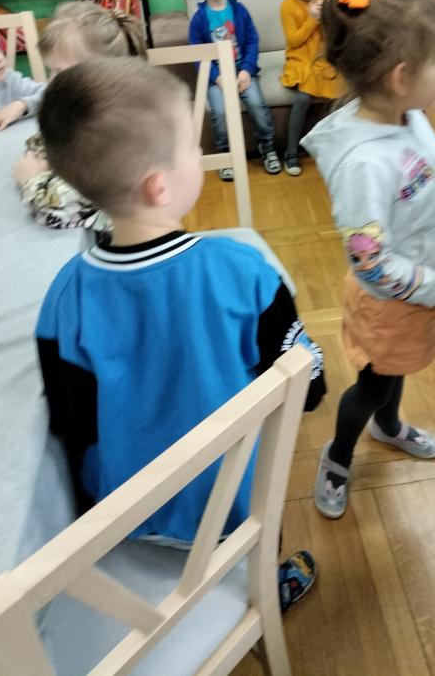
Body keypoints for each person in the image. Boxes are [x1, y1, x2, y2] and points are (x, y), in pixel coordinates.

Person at [35, 56, 326, 608]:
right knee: (261, 500)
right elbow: (306, 383)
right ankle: (268, 586)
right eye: (192, 148)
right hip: (235, 506)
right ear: (159, 186)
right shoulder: (243, 271)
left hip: (126, 514)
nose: (199, 155)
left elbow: (69, 424)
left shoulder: (63, 295)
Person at [301, 0, 435, 520]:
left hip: (423, 290)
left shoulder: (407, 115)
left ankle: (389, 426)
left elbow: (433, 194)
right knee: (375, 382)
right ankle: (337, 456)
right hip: (393, 301)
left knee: (396, 372)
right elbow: (371, 262)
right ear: (401, 76)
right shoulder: (364, 165)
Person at [11, 0, 147, 231]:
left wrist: (30, 180)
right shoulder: (88, 107)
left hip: (121, 242)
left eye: (59, 71)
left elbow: (60, 212)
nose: (51, 81)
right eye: (51, 70)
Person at [188, 0, 281, 181]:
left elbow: (252, 41)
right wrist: (218, 78)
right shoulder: (199, 20)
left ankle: (267, 148)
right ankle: (225, 155)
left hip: (242, 72)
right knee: (220, 112)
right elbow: (198, 56)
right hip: (217, 77)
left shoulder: (239, 10)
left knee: (257, 104)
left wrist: (247, 71)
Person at [279, 0, 344, 176]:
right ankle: (291, 152)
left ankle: (335, 150)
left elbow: (330, 38)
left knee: (340, 94)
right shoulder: (287, 6)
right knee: (303, 98)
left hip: (321, 60)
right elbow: (294, 41)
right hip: (298, 60)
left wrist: (330, 15)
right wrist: (311, 19)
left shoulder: (323, 2)